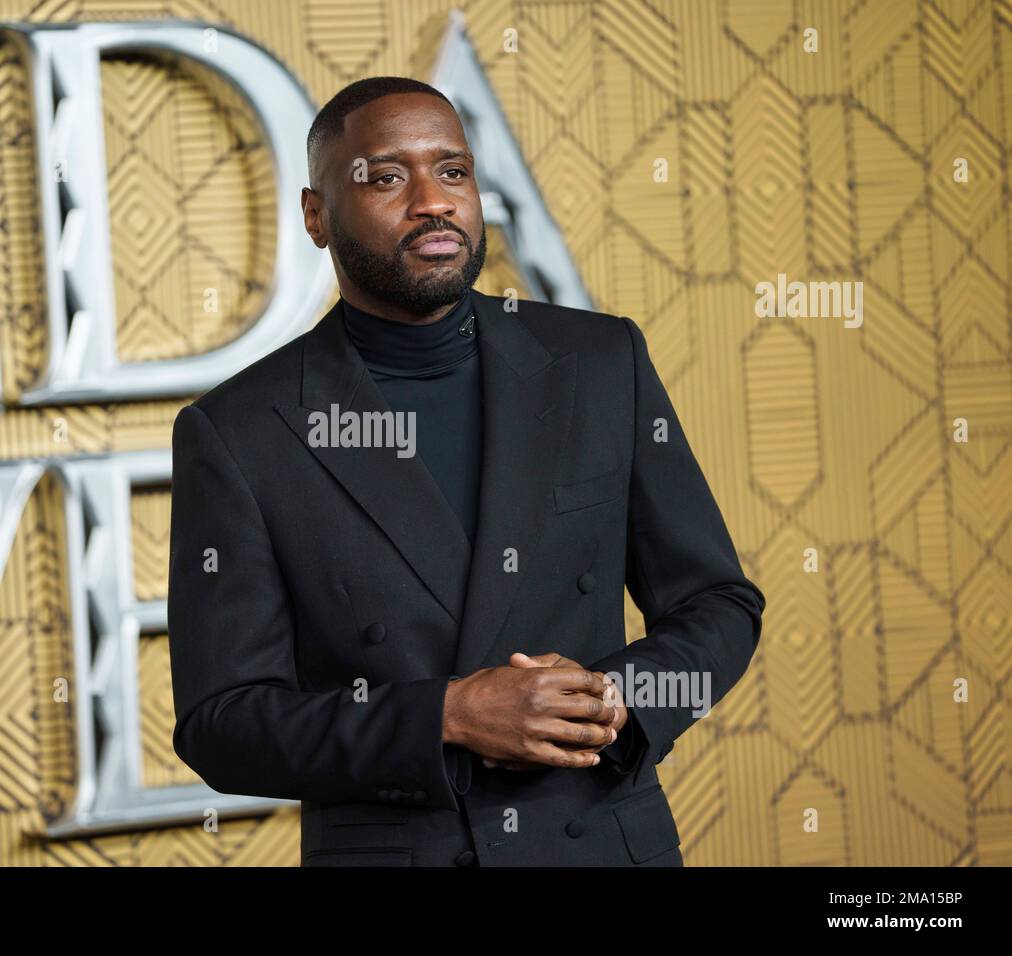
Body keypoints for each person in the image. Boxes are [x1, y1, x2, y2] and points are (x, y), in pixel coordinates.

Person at [166, 76, 765, 866]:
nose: (433, 202)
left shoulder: (599, 362)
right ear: (316, 216)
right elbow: (223, 725)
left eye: (453, 171)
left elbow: (718, 604)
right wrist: (447, 716)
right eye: (386, 177)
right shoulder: (240, 430)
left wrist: (613, 700)